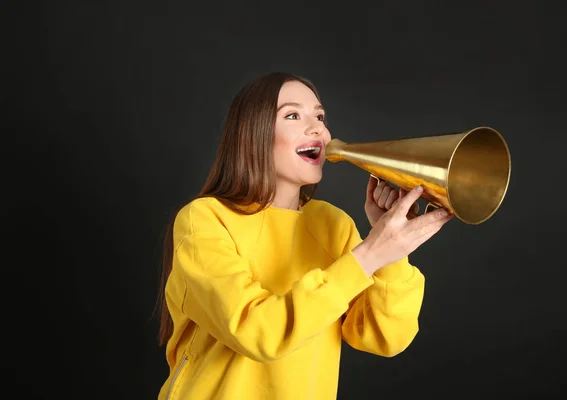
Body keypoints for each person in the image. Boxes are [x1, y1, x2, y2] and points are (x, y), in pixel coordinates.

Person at [155, 72, 454, 400]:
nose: (318, 129)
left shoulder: (332, 224)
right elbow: (258, 332)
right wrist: (371, 253)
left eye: (320, 116)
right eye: (293, 115)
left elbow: (384, 338)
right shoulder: (204, 220)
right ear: (252, 134)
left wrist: (391, 255)